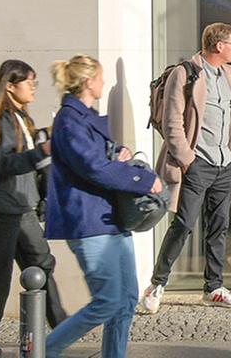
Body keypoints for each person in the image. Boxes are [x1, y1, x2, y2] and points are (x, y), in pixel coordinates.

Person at [43, 55, 161, 358]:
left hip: (109, 219)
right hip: (88, 221)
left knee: (126, 300)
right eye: (100, 78)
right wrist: (141, 179)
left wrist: (119, 152)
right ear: (87, 82)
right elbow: (93, 168)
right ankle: (42, 352)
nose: (104, 83)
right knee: (107, 302)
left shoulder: (84, 116)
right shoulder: (69, 120)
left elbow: (99, 159)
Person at [0, 60, 67, 357]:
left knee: (42, 264)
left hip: (21, 207)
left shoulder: (21, 118)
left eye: (34, 82)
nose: (33, 87)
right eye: (28, 82)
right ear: (9, 86)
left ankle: (63, 328)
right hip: (0, 209)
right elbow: (6, 162)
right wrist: (41, 150)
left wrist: (44, 138)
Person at [141, 23, 231, 314]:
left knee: (219, 226)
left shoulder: (229, 75)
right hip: (198, 163)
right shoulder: (186, 73)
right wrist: (187, 159)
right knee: (184, 224)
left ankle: (214, 287)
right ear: (219, 45)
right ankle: (157, 284)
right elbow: (172, 121)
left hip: (225, 162)